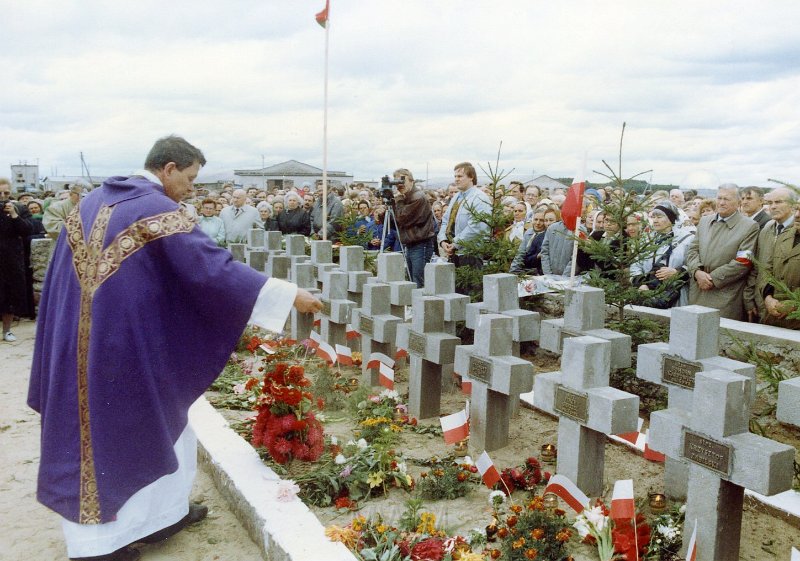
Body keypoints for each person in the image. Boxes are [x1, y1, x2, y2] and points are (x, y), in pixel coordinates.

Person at [27, 136, 322, 561]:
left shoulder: (91, 202)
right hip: (123, 348)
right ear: (167, 168)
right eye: (189, 178)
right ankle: (98, 547)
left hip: (83, 343)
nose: (191, 188)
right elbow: (211, 270)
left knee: (159, 424)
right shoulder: (155, 210)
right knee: (117, 437)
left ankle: (164, 514)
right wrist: (289, 295)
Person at [685, 184, 759, 320]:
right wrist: (697, 272)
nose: (722, 202)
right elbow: (692, 250)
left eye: (727, 199)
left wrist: (712, 279)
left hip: (725, 296)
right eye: (719, 198)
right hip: (698, 291)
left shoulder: (749, 227)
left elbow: (743, 261)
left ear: (738, 202)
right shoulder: (705, 221)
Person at [744, 187, 796, 321]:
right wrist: (764, 298)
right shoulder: (767, 229)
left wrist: (793, 304)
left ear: (793, 205)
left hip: (793, 312)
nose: (773, 207)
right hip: (765, 307)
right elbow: (759, 267)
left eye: (778, 202)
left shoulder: (797, 231)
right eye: (770, 203)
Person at [631, 201, 695, 308]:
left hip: (676, 295)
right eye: (653, 217)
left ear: (671, 218)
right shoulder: (646, 239)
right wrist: (641, 284)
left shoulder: (688, 239)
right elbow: (636, 264)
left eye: (659, 217)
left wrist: (677, 273)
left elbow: (693, 264)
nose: (655, 220)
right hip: (647, 293)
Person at [437, 162, 491, 267]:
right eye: (455, 176)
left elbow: (476, 227)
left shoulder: (480, 198)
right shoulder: (456, 197)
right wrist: (443, 240)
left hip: (471, 254)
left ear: (471, 177)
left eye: (460, 176)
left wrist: (456, 243)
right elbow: (446, 221)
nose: (456, 179)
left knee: (470, 284)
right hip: (453, 253)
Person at [1, 178, 35, 340]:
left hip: (11, 259)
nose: (2, 196)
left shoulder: (20, 208)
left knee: (9, 296)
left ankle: (7, 330)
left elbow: (28, 230)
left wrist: (14, 215)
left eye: (6, 193)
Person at [393, 168, 436, 287]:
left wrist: (399, 200)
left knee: (418, 281)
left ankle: (420, 305)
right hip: (411, 244)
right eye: (397, 181)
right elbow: (395, 221)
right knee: (412, 279)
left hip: (420, 244)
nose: (400, 184)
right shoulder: (406, 197)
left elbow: (402, 218)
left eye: (403, 180)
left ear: (412, 181)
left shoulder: (418, 197)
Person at [761, 203, 800, 329]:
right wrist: (767, 298)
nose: (797, 215)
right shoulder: (784, 235)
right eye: (796, 209)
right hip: (773, 316)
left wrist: (793, 305)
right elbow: (767, 270)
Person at [509, 207, 547, 275]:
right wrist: (513, 270)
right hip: (524, 268)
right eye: (535, 219)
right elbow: (521, 253)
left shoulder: (547, 235)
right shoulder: (529, 232)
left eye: (541, 220)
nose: (538, 223)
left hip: (538, 271)